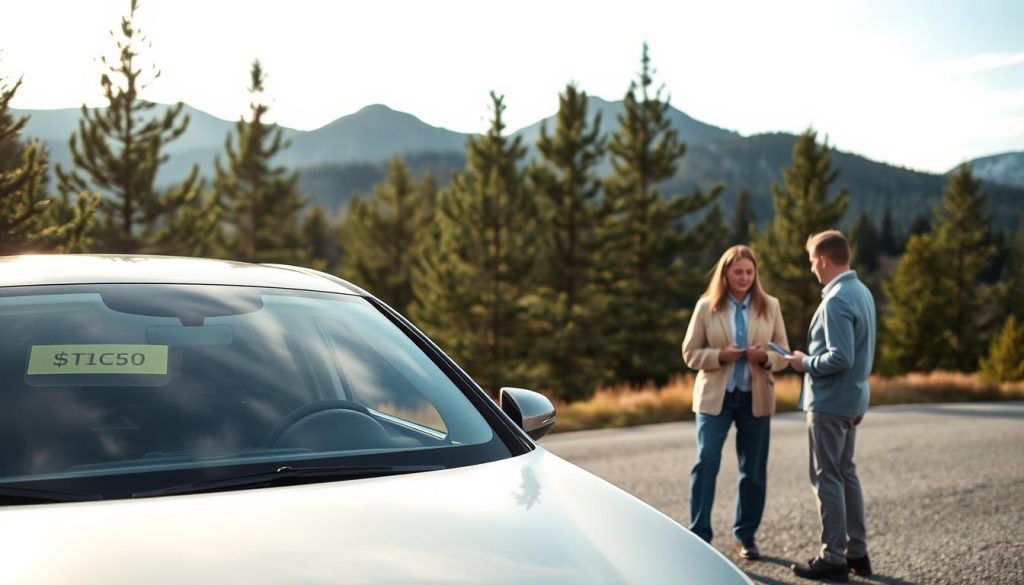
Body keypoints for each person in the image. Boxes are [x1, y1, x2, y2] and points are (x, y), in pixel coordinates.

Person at [682, 245, 790, 561]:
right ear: (725, 274)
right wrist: (720, 356)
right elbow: (689, 354)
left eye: (749, 272)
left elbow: (783, 354)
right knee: (706, 460)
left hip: (755, 397)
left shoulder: (770, 306)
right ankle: (699, 534)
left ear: (755, 274)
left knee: (753, 469)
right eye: (738, 271)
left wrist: (765, 358)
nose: (744, 277)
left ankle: (746, 535)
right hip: (716, 397)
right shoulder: (706, 307)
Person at [784, 230, 876, 582]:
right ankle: (858, 553)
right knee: (846, 473)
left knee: (827, 478)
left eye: (811, 261)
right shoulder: (862, 291)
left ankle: (833, 557)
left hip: (830, 403)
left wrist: (804, 362)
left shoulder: (837, 299)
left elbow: (840, 356)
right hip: (852, 399)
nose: (811, 269)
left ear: (823, 259)